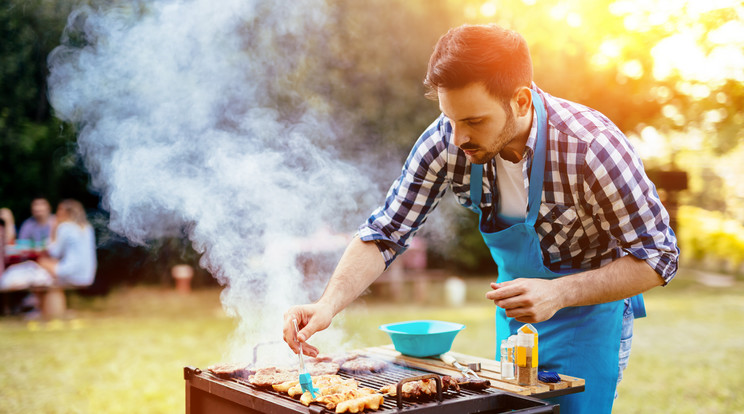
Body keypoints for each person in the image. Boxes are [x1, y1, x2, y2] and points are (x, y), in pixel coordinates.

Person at [282, 24, 678, 414]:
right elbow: (385, 232)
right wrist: (327, 304)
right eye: (450, 119)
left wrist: (559, 294)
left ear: (521, 102)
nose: (457, 139)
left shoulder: (591, 148)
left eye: (473, 121)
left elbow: (661, 257)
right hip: (515, 318)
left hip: (588, 319)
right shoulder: (447, 139)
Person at [1, 199, 96, 290]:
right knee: (43, 266)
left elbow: (54, 252)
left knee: (39, 264)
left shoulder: (65, 227)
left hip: (70, 273)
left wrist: (54, 229)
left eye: (59, 210)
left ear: (65, 212)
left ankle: (23, 299)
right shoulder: (87, 228)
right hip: (87, 275)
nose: (56, 214)